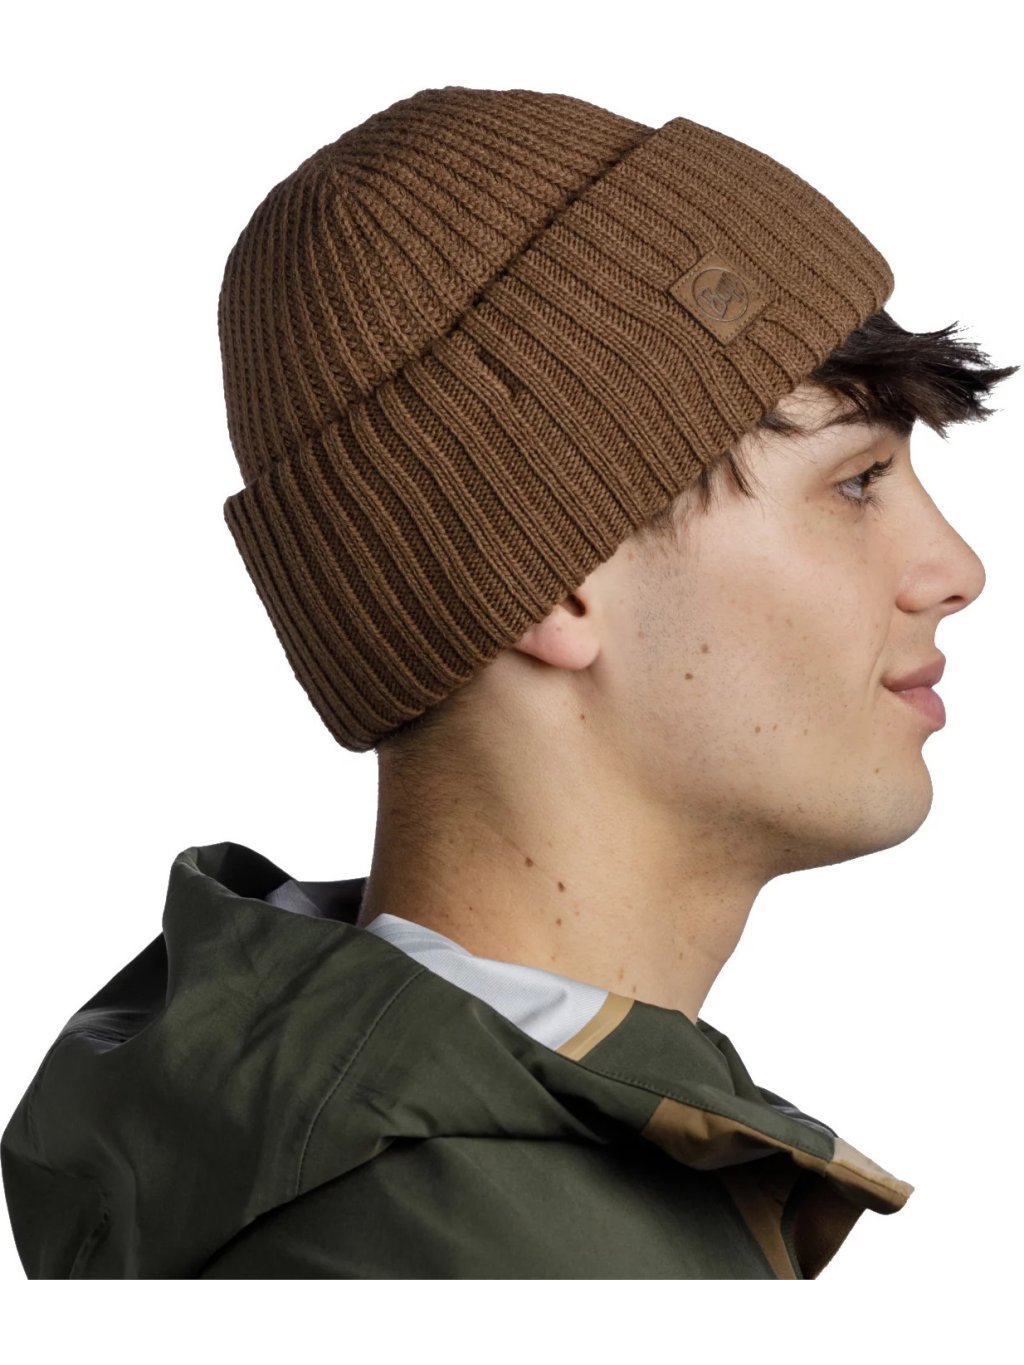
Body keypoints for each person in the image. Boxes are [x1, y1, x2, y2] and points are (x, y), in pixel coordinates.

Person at [1, 85, 1016, 1280]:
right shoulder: (436, 1264)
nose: (955, 569)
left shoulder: (502, 1174)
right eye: (855, 483)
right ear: (556, 581)